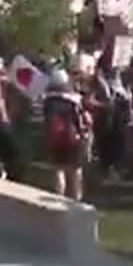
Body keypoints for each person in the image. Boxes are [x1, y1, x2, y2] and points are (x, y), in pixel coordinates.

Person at [41, 69, 89, 200]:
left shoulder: (47, 102)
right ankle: (76, 200)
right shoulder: (74, 100)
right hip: (73, 138)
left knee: (59, 170)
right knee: (75, 172)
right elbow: (81, 120)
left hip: (55, 140)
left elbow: (46, 122)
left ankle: (59, 197)